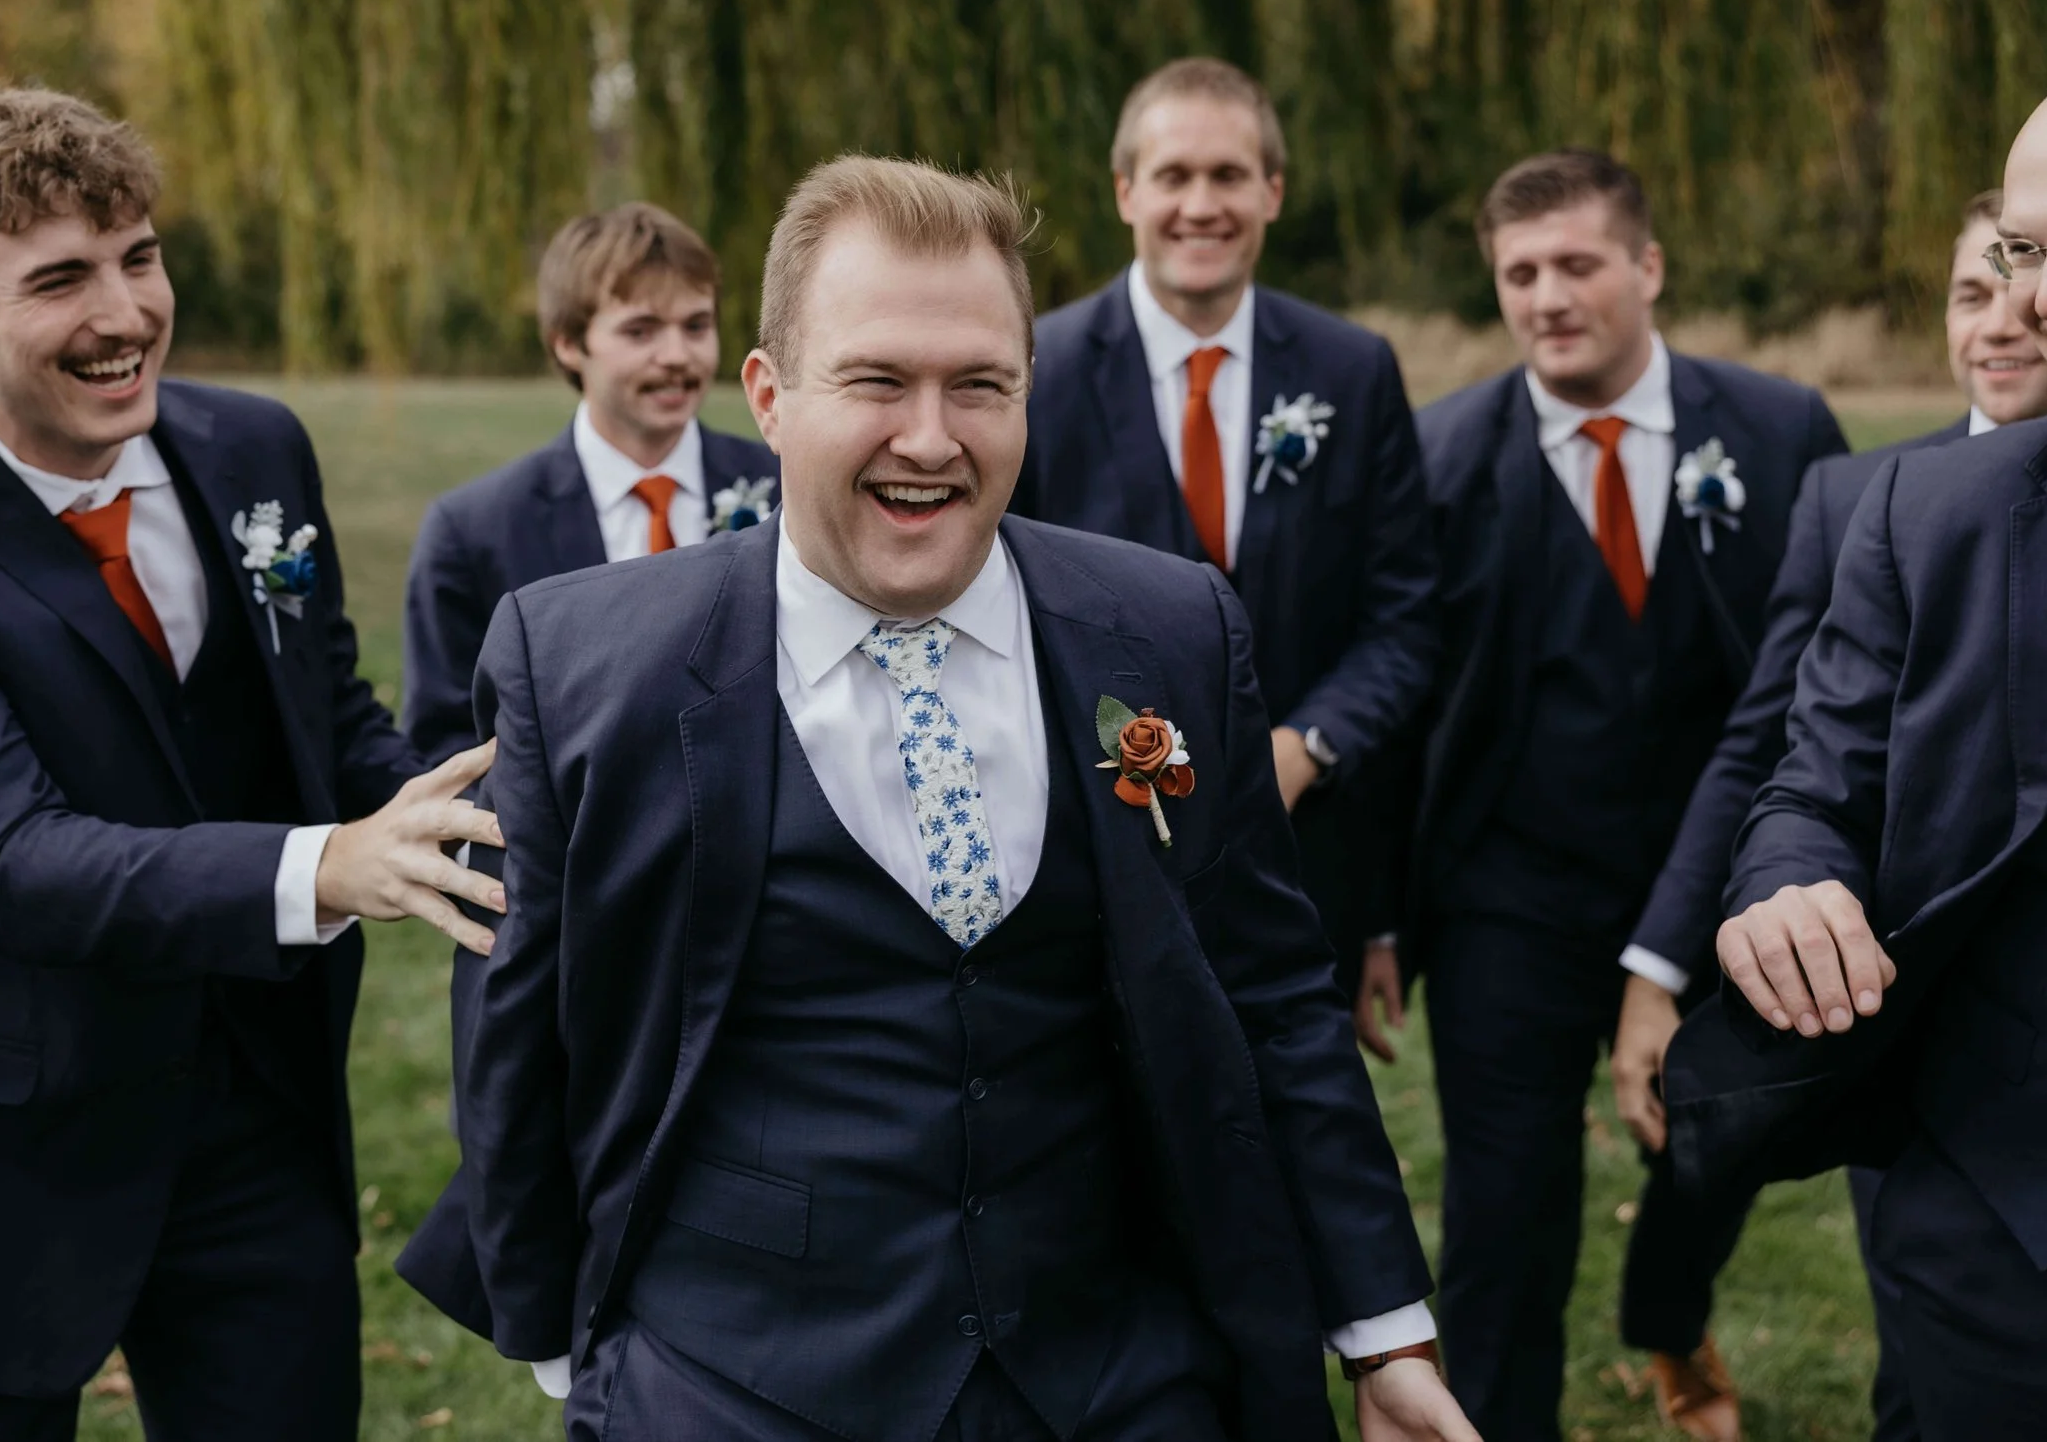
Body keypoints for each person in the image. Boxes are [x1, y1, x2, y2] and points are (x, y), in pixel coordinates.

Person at [397, 156, 1478, 1441]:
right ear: (770, 396)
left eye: (978, 384)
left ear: (1028, 392)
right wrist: (560, 1340)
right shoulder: (581, 663)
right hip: (732, 1376)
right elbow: (516, 1019)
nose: (929, 437)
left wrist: (1381, 1327)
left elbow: (1273, 991)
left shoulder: (1170, 629)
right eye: (876, 380)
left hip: (1118, 1371)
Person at [0, 86, 503, 1442]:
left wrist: (485, 809)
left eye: (139, 256)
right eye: (60, 280)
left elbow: (321, 712)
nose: (125, 314)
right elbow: (9, 860)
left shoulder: (255, 446)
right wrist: (326, 867)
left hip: (254, 1119)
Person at [1680, 56, 2047, 1439]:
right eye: (2024, 252)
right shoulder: (1928, 516)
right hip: (2016, 1229)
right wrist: (1785, 885)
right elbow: (1809, 786)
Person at [1369, 149, 1846, 1440]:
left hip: (1725, 885)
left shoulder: (1781, 431)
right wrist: (1380, 917)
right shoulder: (1439, 455)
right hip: (1507, 898)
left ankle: (1666, 1310)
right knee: (1502, 1214)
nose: (1545, 296)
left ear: (1647, 266)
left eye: (1575, 263)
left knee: (1716, 1148)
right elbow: (1405, 705)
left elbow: (1815, 688)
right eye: (1519, 272)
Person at [1609, 188, 2047, 1442]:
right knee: (1929, 1362)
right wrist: (1657, 966)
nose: (1998, 321)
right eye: (1967, 293)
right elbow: (1769, 749)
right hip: (1907, 1010)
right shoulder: (1868, 496)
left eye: (2015, 288)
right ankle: (1672, 1325)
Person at [1018, 58, 1439, 964]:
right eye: (1174, 175)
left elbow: (1405, 618)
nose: (1201, 205)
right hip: (1090, 866)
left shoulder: (1353, 371)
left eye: (1229, 175)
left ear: (1272, 192)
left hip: (1304, 862)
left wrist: (1309, 745)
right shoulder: (1037, 373)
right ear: (1127, 191)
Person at [403, 202, 779, 761]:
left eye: (696, 325)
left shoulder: (782, 485)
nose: (677, 355)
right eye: (640, 330)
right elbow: (448, 750)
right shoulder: (474, 533)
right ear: (567, 343)